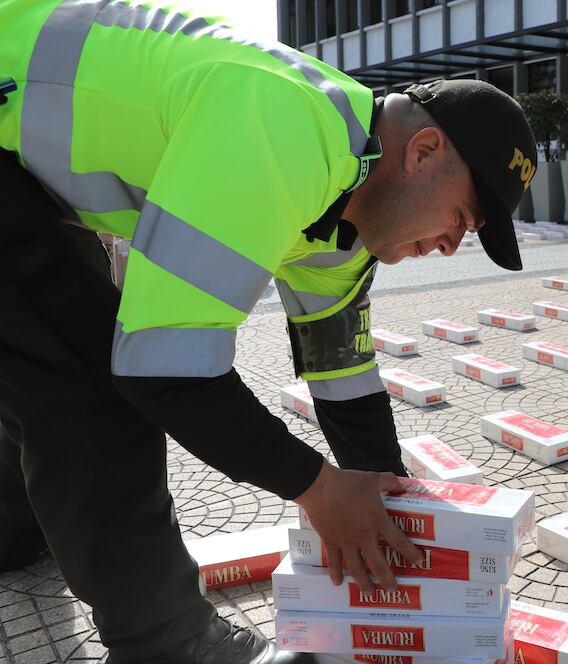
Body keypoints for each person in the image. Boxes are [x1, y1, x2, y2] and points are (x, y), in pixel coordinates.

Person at [0, 1, 537, 662]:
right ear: (423, 152)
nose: (453, 244)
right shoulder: (284, 125)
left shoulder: (348, 210)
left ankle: (13, 536)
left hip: (28, 176)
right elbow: (162, 366)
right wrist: (318, 489)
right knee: (90, 392)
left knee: (44, 348)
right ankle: (170, 647)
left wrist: (393, 511)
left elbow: (343, 378)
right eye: (464, 216)